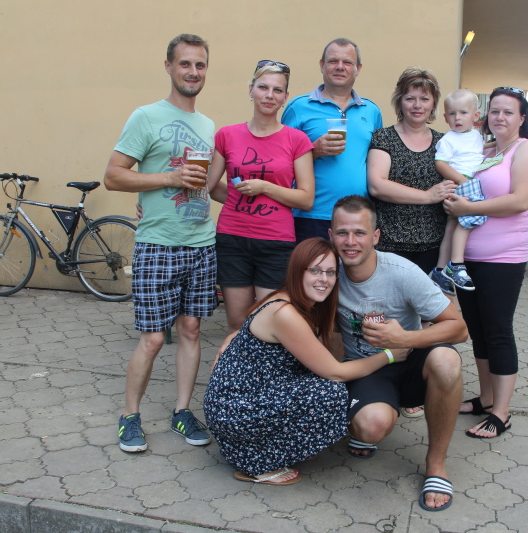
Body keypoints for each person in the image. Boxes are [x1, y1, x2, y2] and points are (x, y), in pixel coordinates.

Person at [203, 238, 408, 486]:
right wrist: (389, 355)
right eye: (315, 271)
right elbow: (335, 372)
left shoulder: (294, 301)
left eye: (330, 272)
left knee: (320, 385)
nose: (324, 279)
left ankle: (262, 446)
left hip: (246, 398)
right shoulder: (284, 312)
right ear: (297, 271)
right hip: (233, 410)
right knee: (330, 393)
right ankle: (257, 463)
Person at [104, 34, 216, 452]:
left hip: (201, 243)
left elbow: (208, 185)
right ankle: (129, 416)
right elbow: (113, 175)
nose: (193, 72)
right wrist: (168, 178)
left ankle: (181, 412)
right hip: (158, 244)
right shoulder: (146, 117)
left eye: (200, 65)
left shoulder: (208, 125)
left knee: (191, 330)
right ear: (169, 66)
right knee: (153, 338)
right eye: (185, 63)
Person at [330, 195, 467, 512]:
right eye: (342, 232)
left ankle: (436, 465)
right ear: (331, 235)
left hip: (409, 359)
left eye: (360, 232)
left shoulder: (401, 271)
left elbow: (459, 328)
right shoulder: (326, 273)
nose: (350, 242)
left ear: (375, 236)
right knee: (370, 427)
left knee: (447, 361)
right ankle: (363, 417)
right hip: (366, 368)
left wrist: (404, 337)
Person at [443, 87, 528, 440]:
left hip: (503, 258)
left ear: (522, 118)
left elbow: (520, 200)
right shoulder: (486, 150)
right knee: (478, 330)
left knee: (498, 331)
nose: (499, 117)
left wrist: (468, 208)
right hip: (469, 257)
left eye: (508, 112)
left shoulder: (526, 150)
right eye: (495, 111)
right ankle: (486, 398)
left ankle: (501, 412)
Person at [207, 60, 315, 332]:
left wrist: (264, 188)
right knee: (237, 323)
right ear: (250, 90)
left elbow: (306, 199)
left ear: (285, 97)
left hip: (275, 242)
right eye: (263, 87)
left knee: (269, 323)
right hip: (232, 238)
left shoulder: (297, 139)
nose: (269, 95)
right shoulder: (227, 135)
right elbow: (208, 185)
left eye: (277, 90)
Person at [281, 38, 383, 242]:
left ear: (358, 68)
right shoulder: (298, 107)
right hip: (310, 215)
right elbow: (280, 163)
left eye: (347, 62)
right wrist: (314, 150)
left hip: (357, 218)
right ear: (322, 65)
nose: (340, 67)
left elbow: (377, 165)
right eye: (333, 61)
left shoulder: (371, 111)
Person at [367, 68, 456, 275]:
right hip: (389, 246)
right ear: (400, 102)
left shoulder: (445, 142)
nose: (417, 105)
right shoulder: (384, 137)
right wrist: (427, 196)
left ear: (433, 104)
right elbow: (377, 185)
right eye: (410, 98)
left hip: (434, 247)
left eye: (424, 99)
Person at [427, 88, 485, 293]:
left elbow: (478, 152)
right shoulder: (448, 139)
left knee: (451, 228)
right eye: (452, 113)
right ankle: (456, 265)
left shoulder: (476, 136)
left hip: (467, 181)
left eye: (463, 113)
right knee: (466, 220)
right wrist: (462, 181)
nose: (457, 118)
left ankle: (439, 270)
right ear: (445, 118)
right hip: (458, 182)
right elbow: (440, 163)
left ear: (475, 116)